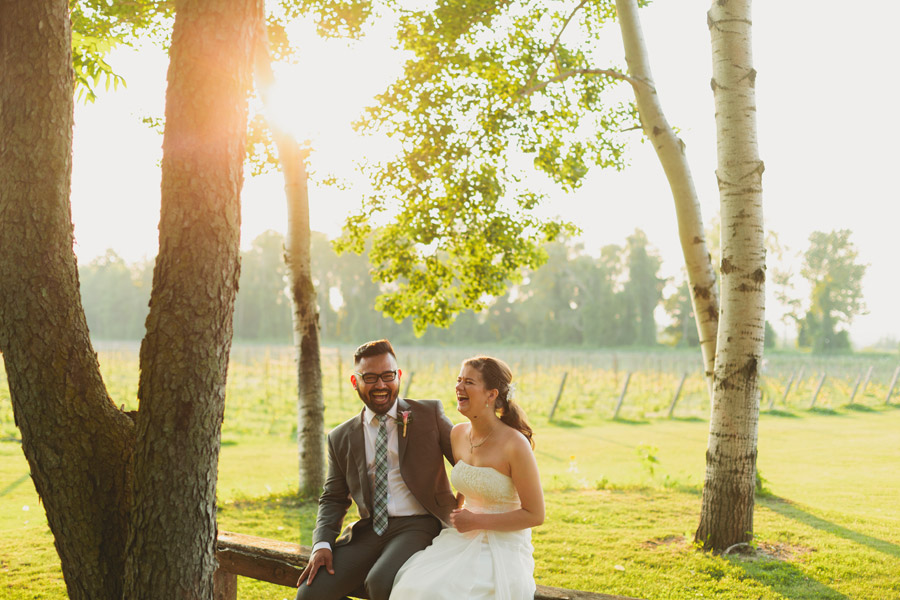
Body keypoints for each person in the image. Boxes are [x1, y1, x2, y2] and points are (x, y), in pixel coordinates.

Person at [295, 339, 456, 600]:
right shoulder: (340, 437)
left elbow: (467, 462)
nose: (380, 385)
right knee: (310, 594)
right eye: (370, 377)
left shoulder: (429, 415)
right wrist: (322, 543)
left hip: (419, 524)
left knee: (380, 582)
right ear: (354, 381)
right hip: (370, 529)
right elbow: (333, 498)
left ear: (398, 375)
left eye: (387, 376)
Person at [390, 356, 544, 600]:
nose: (459, 387)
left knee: (447, 594)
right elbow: (468, 484)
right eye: (459, 380)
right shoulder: (458, 434)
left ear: (491, 395)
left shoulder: (515, 445)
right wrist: (460, 516)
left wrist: (476, 520)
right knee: (412, 587)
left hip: (503, 546)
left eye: (469, 382)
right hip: (462, 538)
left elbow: (535, 515)